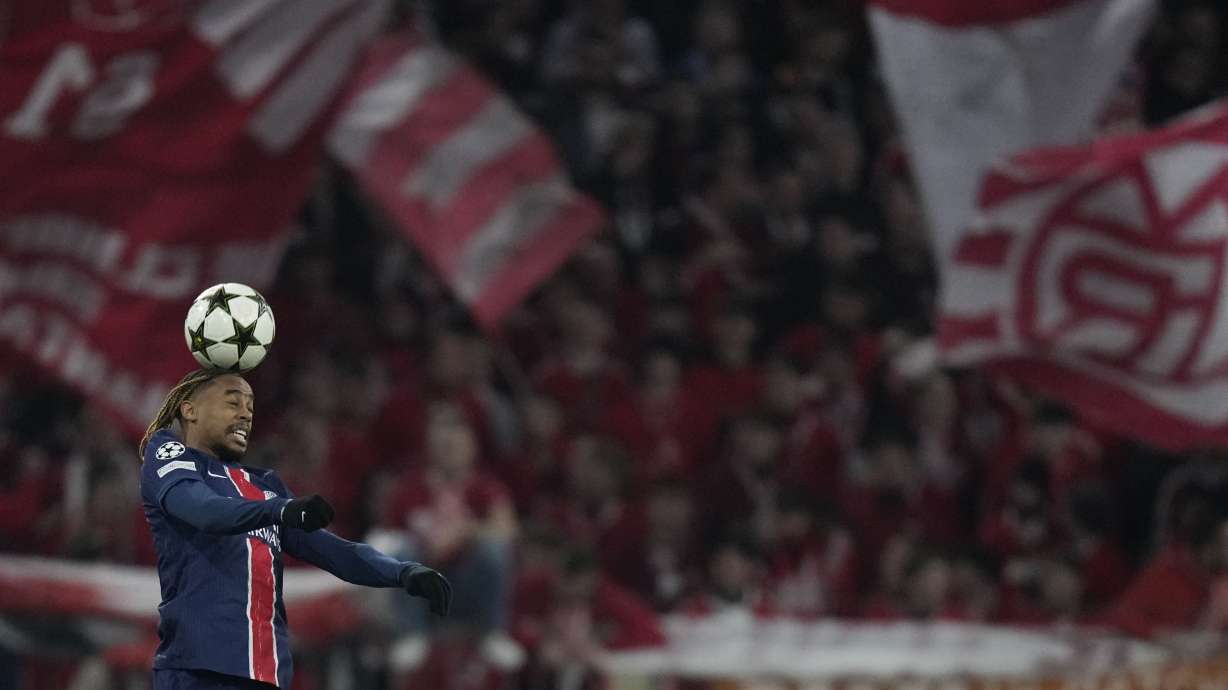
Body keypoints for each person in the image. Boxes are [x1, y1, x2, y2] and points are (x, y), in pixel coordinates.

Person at [137, 369, 452, 690]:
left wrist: (402, 572)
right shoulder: (169, 455)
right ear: (190, 410)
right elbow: (201, 510)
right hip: (197, 671)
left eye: (249, 405)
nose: (245, 413)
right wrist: (281, 510)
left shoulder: (266, 487)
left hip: (265, 673)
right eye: (232, 403)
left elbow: (334, 551)